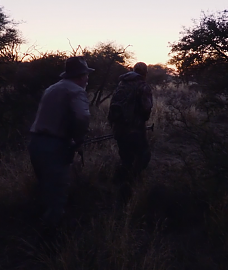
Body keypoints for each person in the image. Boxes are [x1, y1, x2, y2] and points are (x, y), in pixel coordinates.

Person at [28, 56, 94, 232]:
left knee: (45, 189)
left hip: (36, 143)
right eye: (86, 75)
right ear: (81, 75)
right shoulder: (76, 91)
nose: (87, 79)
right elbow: (82, 117)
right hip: (54, 147)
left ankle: (38, 226)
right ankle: (50, 243)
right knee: (57, 194)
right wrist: (78, 139)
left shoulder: (52, 88)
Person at [108, 62, 153, 184]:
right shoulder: (143, 86)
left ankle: (118, 183)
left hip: (118, 128)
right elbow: (146, 108)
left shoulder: (122, 83)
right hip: (135, 129)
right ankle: (131, 183)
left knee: (126, 157)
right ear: (145, 73)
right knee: (144, 155)